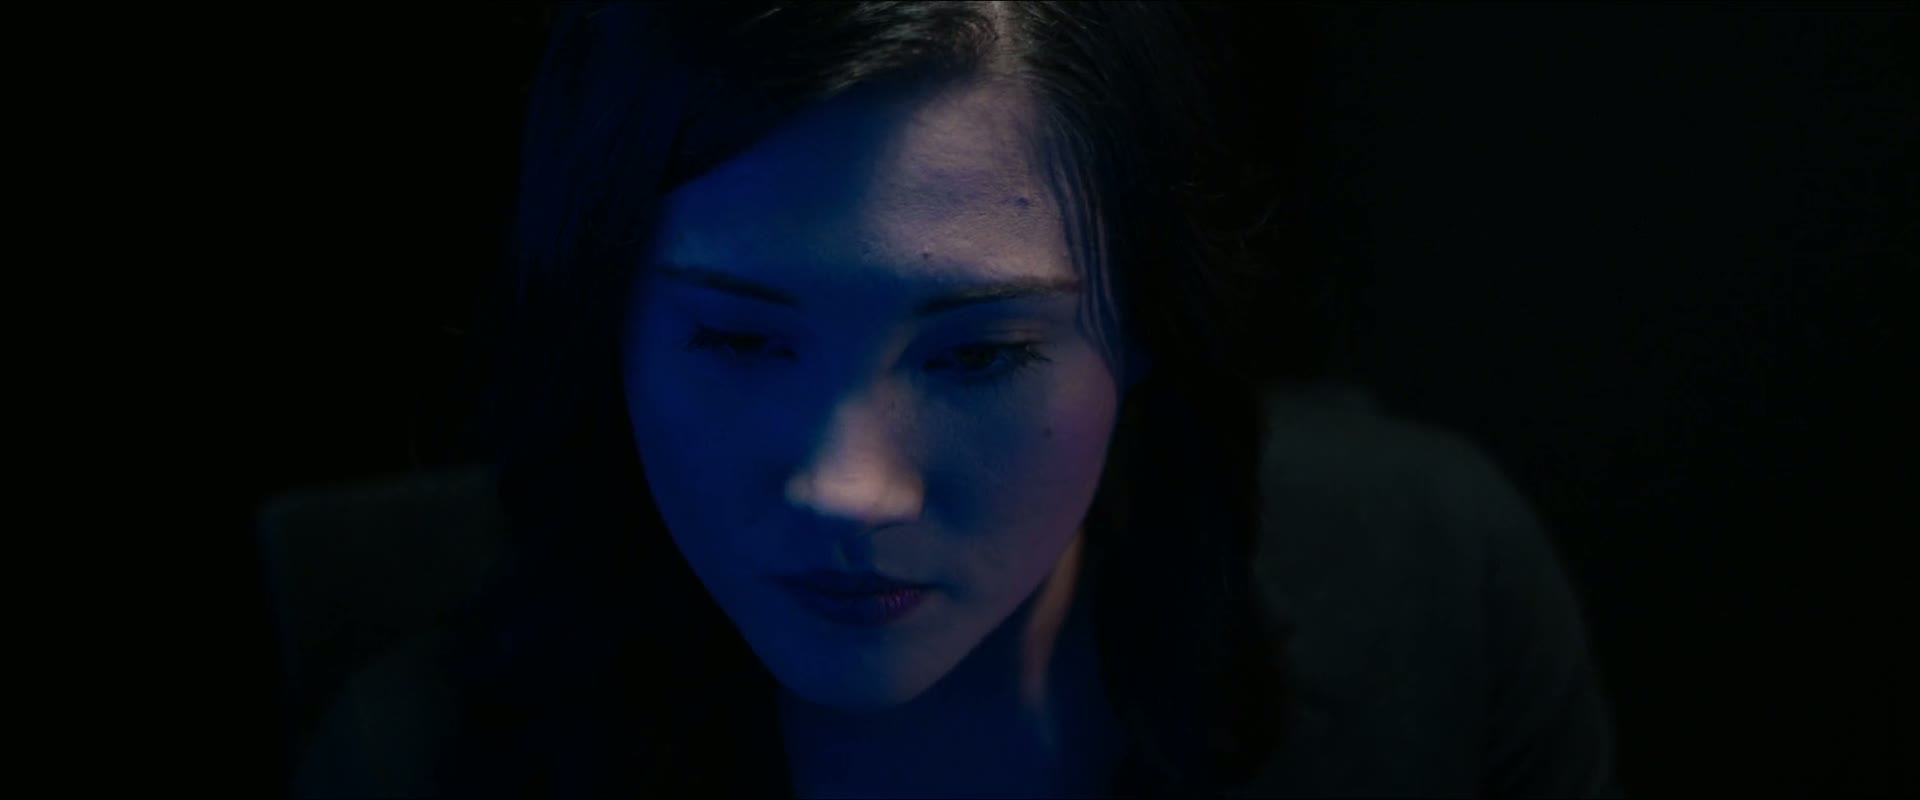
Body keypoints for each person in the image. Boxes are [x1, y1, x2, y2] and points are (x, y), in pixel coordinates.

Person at [291, 2, 1624, 797]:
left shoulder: (1437, 595)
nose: (847, 490)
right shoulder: (412, 767)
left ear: (1145, 327)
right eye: (740, 341)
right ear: (612, 327)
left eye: (978, 355)